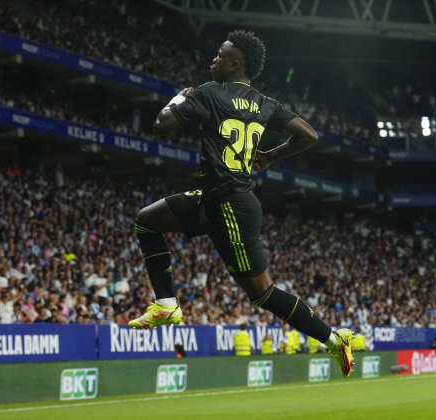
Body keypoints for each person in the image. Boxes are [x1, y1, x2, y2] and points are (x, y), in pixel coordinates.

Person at [126, 30, 354, 376]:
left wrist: (179, 97)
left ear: (236, 64)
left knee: (262, 294)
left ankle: (333, 339)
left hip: (231, 203)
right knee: (147, 220)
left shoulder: (210, 93)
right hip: (216, 198)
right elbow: (309, 134)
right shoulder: (264, 103)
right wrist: (271, 156)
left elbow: (162, 125)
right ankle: (167, 304)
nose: (212, 61)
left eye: (219, 56)